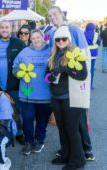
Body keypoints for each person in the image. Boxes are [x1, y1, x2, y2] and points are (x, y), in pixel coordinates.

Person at [47, 6, 95, 161]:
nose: (52, 17)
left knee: (79, 121)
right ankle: (67, 151)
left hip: (75, 86)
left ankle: (86, 150)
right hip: (59, 89)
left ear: (61, 14)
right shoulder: (52, 32)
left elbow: (84, 55)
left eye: (54, 14)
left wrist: (84, 85)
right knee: (67, 125)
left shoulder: (73, 30)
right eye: (49, 16)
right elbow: (51, 55)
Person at [46, 26, 88, 170]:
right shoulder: (53, 54)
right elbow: (48, 75)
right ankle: (65, 154)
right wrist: (50, 76)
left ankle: (78, 160)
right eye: (58, 39)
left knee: (72, 129)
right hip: (56, 96)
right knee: (62, 128)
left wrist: (65, 69)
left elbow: (83, 75)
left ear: (69, 39)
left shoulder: (76, 53)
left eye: (64, 38)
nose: (61, 41)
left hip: (71, 97)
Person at [13, 29, 52, 155]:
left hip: (45, 95)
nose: (36, 40)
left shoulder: (50, 51)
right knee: (27, 119)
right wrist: (19, 75)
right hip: (27, 95)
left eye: (38, 37)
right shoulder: (24, 52)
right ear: (30, 39)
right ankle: (29, 142)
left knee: (42, 121)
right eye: (33, 38)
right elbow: (15, 67)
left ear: (43, 37)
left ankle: (39, 141)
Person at [0, 20, 26, 145]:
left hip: (14, 85)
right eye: (2, 27)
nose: (4, 29)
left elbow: (25, 60)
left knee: (16, 110)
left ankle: (20, 133)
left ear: (11, 29)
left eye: (7, 27)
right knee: (0, 109)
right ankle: (4, 131)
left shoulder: (18, 43)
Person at [84, 22, 101, 89]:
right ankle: (90, 85)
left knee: (85, 68)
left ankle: (85, 84)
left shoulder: (84, 34)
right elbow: (99, 42)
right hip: (93, 54)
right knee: (91, 69)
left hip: (85, 54)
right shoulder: (96, 34)